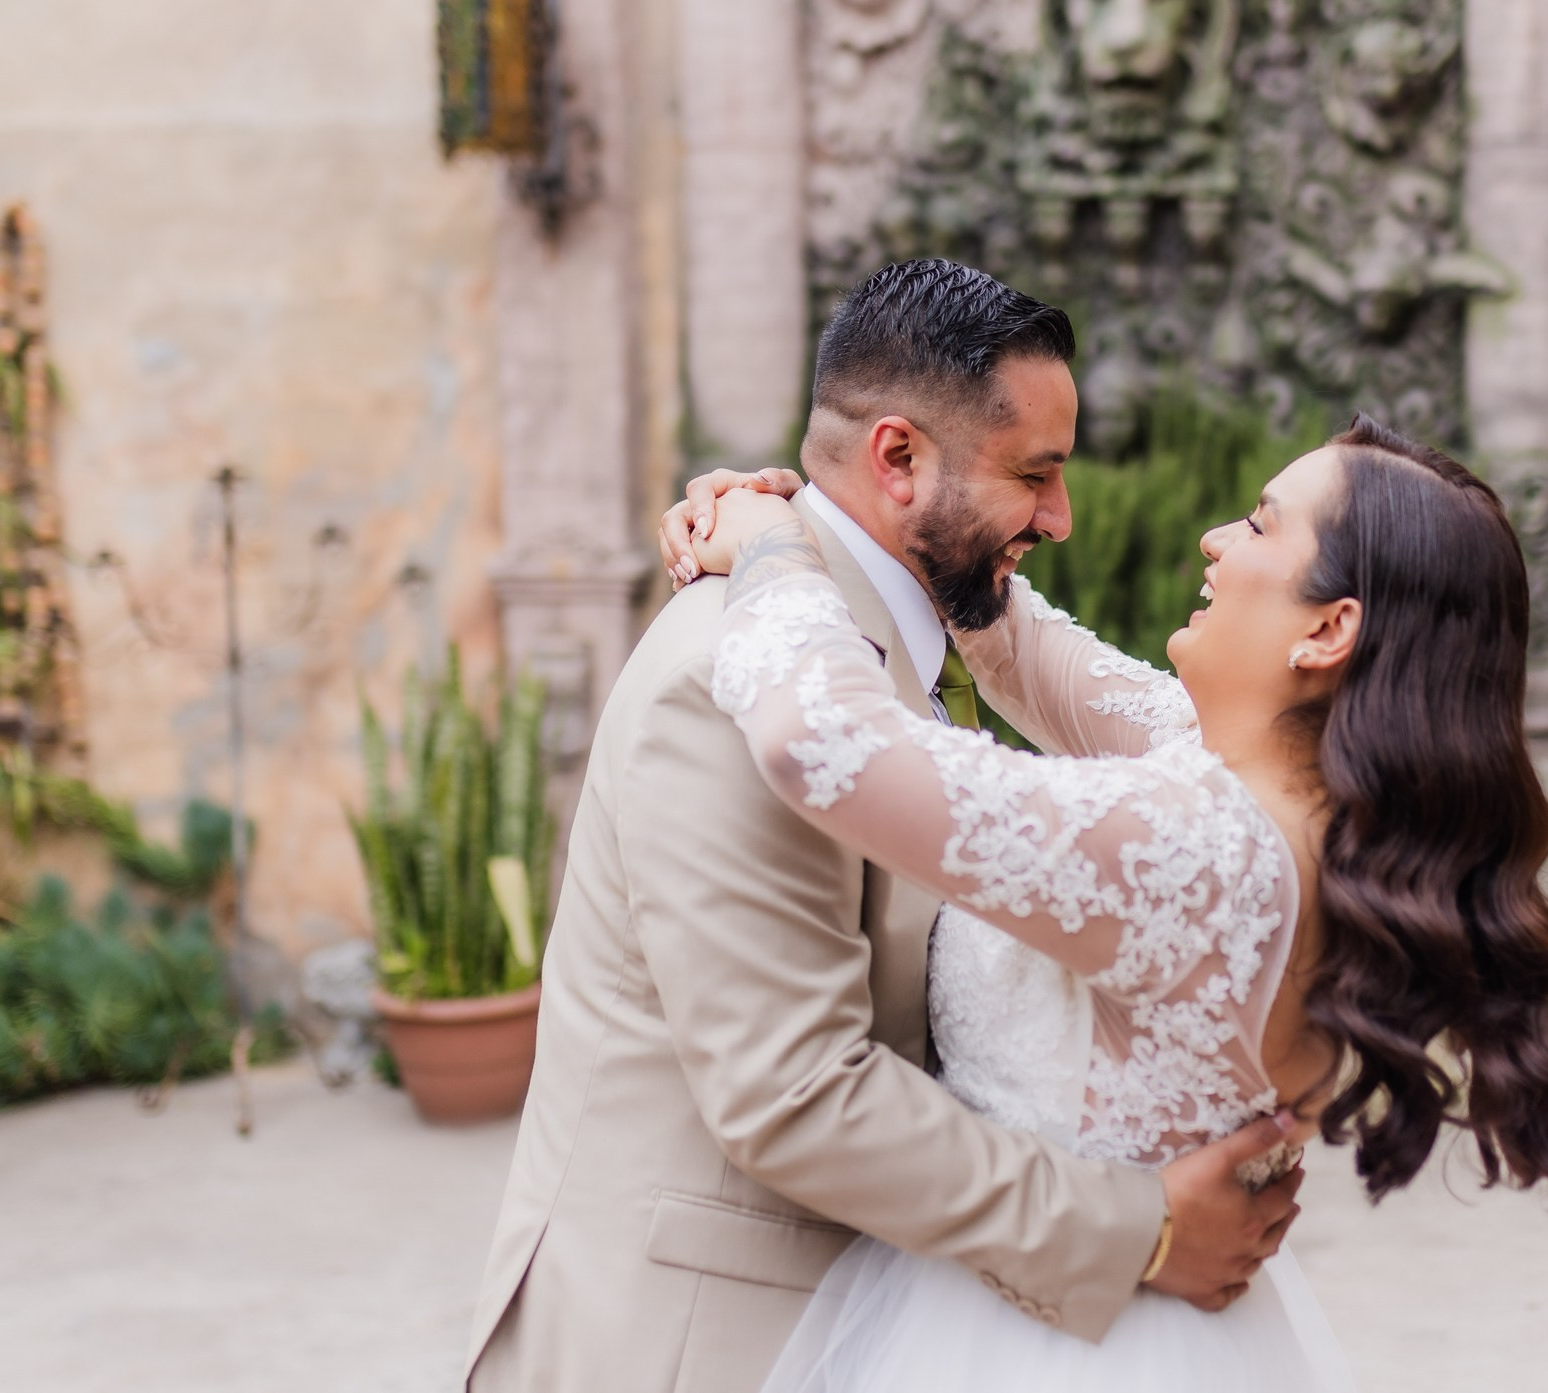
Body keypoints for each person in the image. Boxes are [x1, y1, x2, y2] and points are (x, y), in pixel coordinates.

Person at [460, 259, 1302, 1393]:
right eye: (1034, 475)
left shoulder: (887, 633)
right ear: (898, 459)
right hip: (700, 1340)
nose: (1058, 517)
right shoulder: (727, 680)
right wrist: (1135, 1227)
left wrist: (773, 534)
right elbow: (792, 1089)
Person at [664, 411, 1548, 1392]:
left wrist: (772, 550)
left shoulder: (1199, 847)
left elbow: (818, 742)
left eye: (1257, 524)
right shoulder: (1300, 809)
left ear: (1329, 630)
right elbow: (1011, 643)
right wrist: (839, 520)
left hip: (1040, 1346)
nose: (1215, 538)